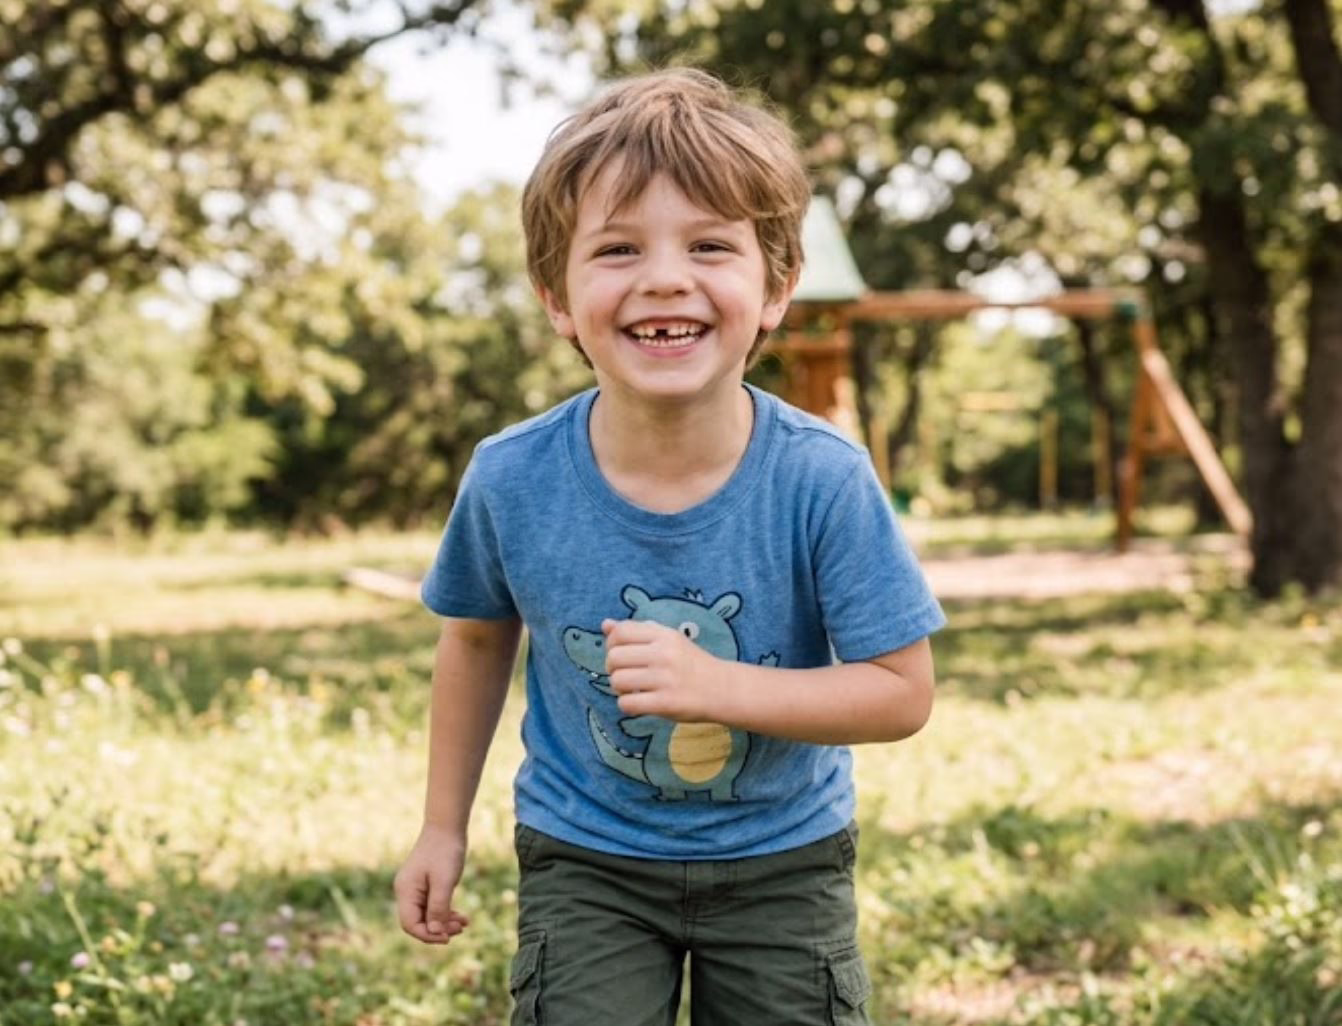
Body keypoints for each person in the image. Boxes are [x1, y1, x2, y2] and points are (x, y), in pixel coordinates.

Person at [394, 67, 946, 1026]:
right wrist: (442, 827)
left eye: (708, 245)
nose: (663, 276)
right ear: (557, 298)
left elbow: (902, 692)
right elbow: (477, 637)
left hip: (784, 860)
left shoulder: (822, 478)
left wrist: (723, 689)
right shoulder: (512, 476)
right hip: (586, 861)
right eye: (616, 248)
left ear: (775, 288)